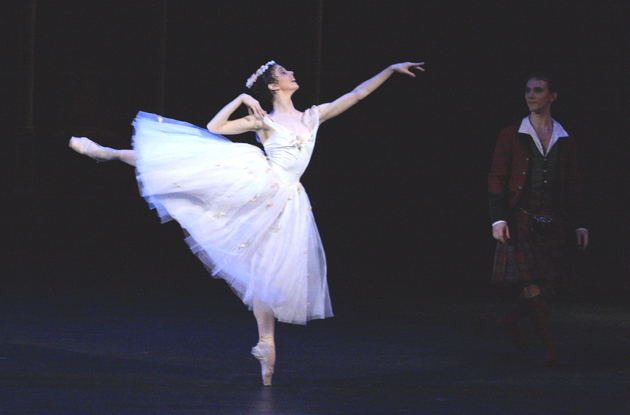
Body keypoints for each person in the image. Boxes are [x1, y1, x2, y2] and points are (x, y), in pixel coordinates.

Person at [69, 60, 424, 385]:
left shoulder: (313, 115)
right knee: (184, 169)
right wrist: (241, 97)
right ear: (273, 86)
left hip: (288, 199)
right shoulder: (263, 120)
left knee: (266, 270)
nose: (292, 74)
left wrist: (390, 70)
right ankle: (109, 153)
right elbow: (214, 127)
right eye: (285, 73)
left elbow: (357, 94)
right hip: (257, 180)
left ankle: (265, 343)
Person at [488, 72, 588, 366]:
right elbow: (496, 176)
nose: (531, 95)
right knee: (530, 285)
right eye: (528, 91)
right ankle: (549, 347)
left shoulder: (564, 138)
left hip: (551, 221)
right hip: (520, 219)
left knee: (545, 286)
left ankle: (509, 320)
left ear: (552, 97)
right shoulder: (510, 134)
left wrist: (580, 222)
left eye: (538, 91)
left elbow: (574, 183)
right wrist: (498, 219)